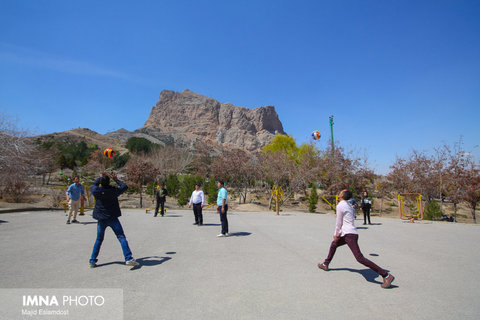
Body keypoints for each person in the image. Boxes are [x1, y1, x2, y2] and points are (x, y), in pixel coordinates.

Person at [317, 189, 395, 289]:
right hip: (348, 233)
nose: (340, 192)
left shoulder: (341, 205)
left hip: (349, 235)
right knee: (334, 244)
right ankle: (325, 264)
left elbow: (339, 221)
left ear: (342, 196)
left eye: (341, 192)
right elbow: (351, 218)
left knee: (359, 258)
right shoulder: (350, 205)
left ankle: (386, 275)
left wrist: (336, 234)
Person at [89, 171, 139, 268]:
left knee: (99, 239)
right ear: (109, 182)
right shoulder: (113, 190)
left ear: (101, 182)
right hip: (112, 217)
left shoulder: (96, 191)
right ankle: (128, 258)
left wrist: (100, 177)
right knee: (121, 237)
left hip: (101, 219)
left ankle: (92, 260)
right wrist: (116, 180)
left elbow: (93, 184)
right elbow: (124, 187)